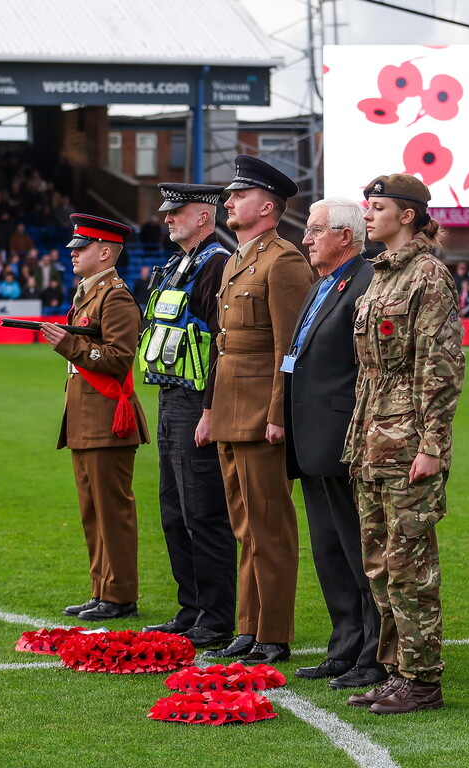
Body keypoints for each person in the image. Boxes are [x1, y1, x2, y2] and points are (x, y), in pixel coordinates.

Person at [344, 173, 465, 716]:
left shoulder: (427, 277)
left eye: (377, 207)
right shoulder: (380, 277)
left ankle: (422, 678)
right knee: (378, 564)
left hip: (409, 442)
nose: (367, 215)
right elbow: (370, 372)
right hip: (371, 440)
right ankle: (396, 672)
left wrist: (432, 446)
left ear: (408, 215)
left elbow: (438, 368)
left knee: (409, 566)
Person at [204, 155, 314, 665]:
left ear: (266, 206)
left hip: (261, 418)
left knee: (269, 527)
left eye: (238, 195)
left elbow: (288, 350)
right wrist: (213, 412)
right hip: (231, 413)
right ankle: (248, 628)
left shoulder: (285, 261)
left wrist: (279, 415)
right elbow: (228, 347)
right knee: (245, 527)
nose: (228, 202)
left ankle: (273, 631)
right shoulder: (237, 258)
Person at [284, 197, 384, 691]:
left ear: (345, 236)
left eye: (315, 229)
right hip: (312, 438)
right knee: (328, 548)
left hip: (343, 438)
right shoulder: (324, 282)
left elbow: (366, 365)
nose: (306, 238)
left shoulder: (365, 281)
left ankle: (372, 653)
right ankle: (344, 645)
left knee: (357, 547)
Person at [138, 183, 236, 649]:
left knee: (203, 512)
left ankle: (215, 617)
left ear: (203, 216)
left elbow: (222, 343)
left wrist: (211, 409)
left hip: (196, 402)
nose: (167, 219)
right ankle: (191, 607)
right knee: (174, 512)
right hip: (170, 396)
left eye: (176, 213)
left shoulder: (216, 264)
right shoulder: (180, 264)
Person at [41, 214, 150, 622]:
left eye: (80, 247)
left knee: (111, 511)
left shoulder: (115, 296)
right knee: (92, 511)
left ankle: (120, 594)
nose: (72, 253)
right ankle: (102, 589)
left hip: (107, 419)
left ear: (105, 253)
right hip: (88, 419)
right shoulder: (89, 294)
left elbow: (121, 358)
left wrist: (69, 345)